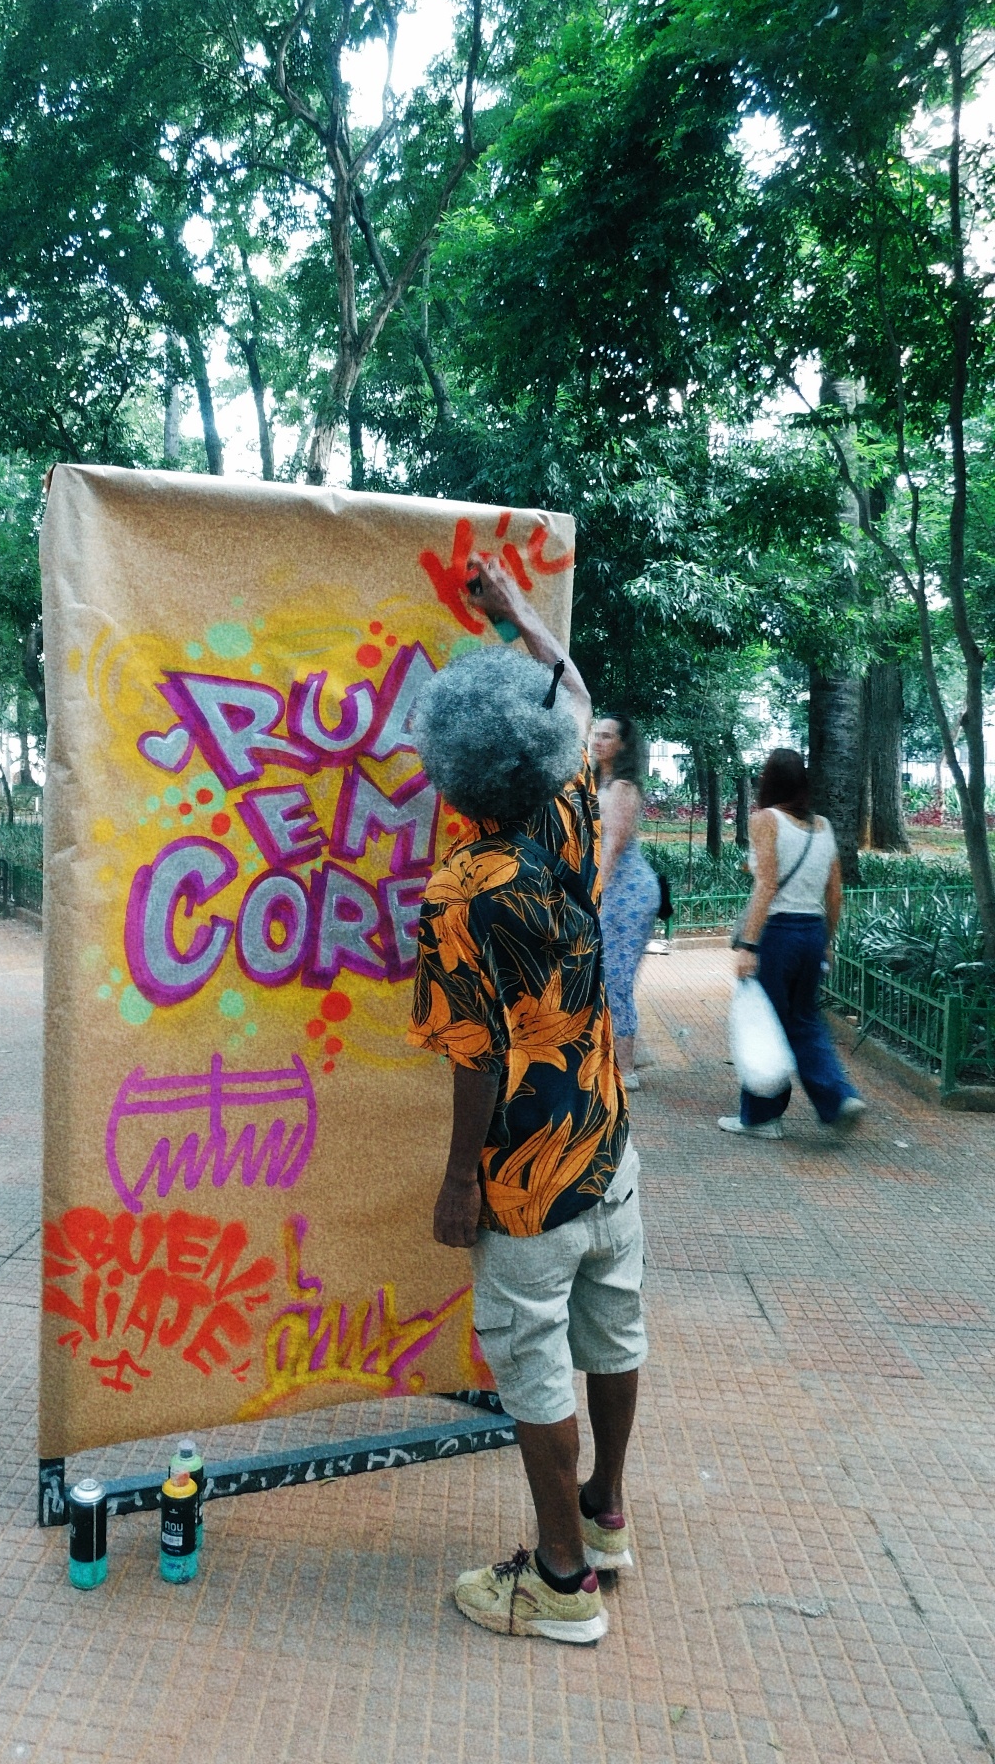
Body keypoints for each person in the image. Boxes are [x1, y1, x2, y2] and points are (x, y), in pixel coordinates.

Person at [408, 554, 644, 1645]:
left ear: (451, 773)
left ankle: (558, 1584)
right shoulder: (572, 813)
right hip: (609, 1146)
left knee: (537, 1357)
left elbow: (473, 1053)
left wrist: (460, 1182)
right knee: (616, 1330)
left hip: (526, 1178)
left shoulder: (458, 893)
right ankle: (604, 1517)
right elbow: (581, 699)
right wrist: (520, 618)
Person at [721, 748, 867, 1140]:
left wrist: (748, 945)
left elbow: (766, 884)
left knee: (763, 1023)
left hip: (777, 934)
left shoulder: (765, 820)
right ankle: (838, 1098)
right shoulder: (823, 826)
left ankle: (760, 1118)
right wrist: (828, 943)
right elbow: (835, 892)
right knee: (803, 1020)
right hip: (812, 930)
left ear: (768, 782)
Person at [589, 715, 662, 1088]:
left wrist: (594, 894)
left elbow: (613, 846)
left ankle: (627, 1069)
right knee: (602, 972)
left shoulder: (621, 788)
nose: (598, 740)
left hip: (626, 890)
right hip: (613, 888)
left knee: (615, 975)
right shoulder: (596, 783)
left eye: (607, 736)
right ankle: (617, 1054)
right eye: (595, 733)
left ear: (622, 745)